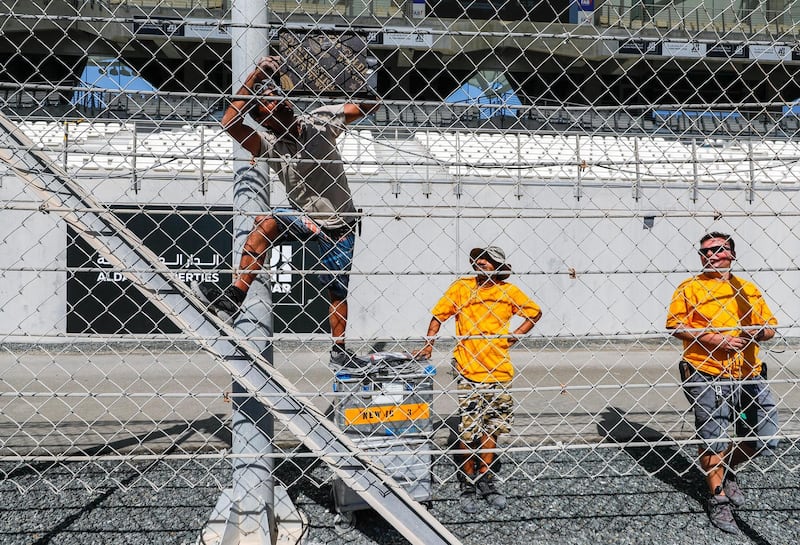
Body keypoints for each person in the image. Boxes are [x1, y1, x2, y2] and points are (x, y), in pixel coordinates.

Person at [194, 56, 380, 367]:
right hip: (305, 219)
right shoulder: (269, 144)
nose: (276, 99)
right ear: (264, 119)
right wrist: (255, 75)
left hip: (341, 224)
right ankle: (233, 299)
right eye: (267, 101)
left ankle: (339, 351)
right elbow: (229, 123)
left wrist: (352, 77)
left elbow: (366, 107)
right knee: (266, 223)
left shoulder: (320, 121)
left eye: (276, 94)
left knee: (337, 291)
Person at [666, 232, 779, 534]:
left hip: (749, 373)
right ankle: (718, 499)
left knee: (765, 437)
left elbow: (770, 327)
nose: (711, 255)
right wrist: (716, 340)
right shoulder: (690, 288)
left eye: (718, 249)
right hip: (706, 372)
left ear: (732, 254)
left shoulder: (747, 289)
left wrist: (756, 333)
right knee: (712, 437)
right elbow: (675, 325)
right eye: (705, 251)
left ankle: (724, 468)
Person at [416, 245, 542, 513]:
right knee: (468, 429)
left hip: (499, 371)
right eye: (481, 259)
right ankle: (467, 481)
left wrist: (515, 335)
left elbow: (534, 312)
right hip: (469, 370)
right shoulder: (462, 288)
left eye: (491, 260)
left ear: (499, 267)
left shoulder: (508, 293)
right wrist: (428, 345)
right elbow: (438, 315)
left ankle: (486, 478)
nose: (484, 262)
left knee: (492, 428)